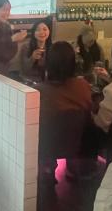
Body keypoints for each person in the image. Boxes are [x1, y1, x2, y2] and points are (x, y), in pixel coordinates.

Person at [39, 41, 95, 181]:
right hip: (76, 144)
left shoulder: (39, 92)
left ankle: (47, 172)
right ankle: (75, 170)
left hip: (46, 146)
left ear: (48, 63)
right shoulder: (83, 86)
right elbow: (89, 109)